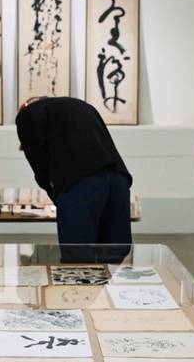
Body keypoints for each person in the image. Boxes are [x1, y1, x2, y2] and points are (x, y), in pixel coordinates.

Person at [15, 96, 133, 252]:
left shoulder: (27, 114)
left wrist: (57, 197)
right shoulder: (83, 106)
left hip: (80, 183)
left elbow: (38, 165)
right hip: (118, 178)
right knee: (115, 251)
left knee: (78, 256)